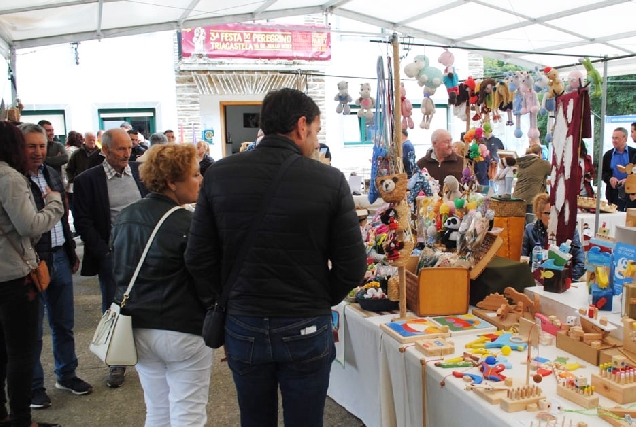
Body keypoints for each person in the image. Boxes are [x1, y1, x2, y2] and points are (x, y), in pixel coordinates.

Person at [185, 88, 367, 427]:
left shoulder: (219, 175)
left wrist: (223, 301)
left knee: (254, 420)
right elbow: (353, 266)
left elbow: (197, 257)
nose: (315, 141)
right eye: (315, 130)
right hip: (305, 324)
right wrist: (317, 297)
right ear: (301, 126)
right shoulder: (328, 179)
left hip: (244, 321)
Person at [111, 144, 212, 426]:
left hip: (138, 325)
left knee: (157, 409)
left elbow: (118, 269)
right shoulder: (189, 223)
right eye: (194, 175)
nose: (200, 180)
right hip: (183, 328)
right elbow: (205, 279)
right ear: (171, 182)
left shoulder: (126, 216)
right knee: (188, 411)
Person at [19, 123, 93, 410]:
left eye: (41, 145)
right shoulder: (16, 179)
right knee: (32, 329)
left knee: (63, 323)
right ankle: (34, 387)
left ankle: (67, 374)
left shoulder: (51, 172)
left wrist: (72, 251)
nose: (38, 152)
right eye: (31, 146)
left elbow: (63, 217)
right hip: (33, 261)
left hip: (60, 254)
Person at [0, 121, 64, 427]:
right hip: (14, 279)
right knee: (21, 354)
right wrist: (55, 203)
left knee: (3, 351)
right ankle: (22, 420)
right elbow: (29, 226)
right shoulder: (9, 178)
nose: (36, 151)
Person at [73, 128, 144, 388]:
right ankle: (117, 362)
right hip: (113, 256)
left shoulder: (140, 173)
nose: (127, 154)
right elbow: (83, 220)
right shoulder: (88, 180)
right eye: (121, 149)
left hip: (145, 253)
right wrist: (104, 252)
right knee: (115, 308)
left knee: (148, 304)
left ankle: (149, 357)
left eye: (129, 148)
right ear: (105, 150)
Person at [521, 193, 585, 280]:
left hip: (563, 281)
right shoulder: (530, 230)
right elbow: (522, 259)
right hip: (537, 279)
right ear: (539, 215)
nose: (554, 217)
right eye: (549, 213)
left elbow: (581, 263)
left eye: (557, 213)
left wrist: (564, 279)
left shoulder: (570, 231)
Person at [514, 144, 552, 222]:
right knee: (532, 225)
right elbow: (556, 172)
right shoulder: (542, 163)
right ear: (540, 153)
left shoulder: (522, 163)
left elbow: (531, 177)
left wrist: (544, 181)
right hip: (533, 198)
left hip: (518, 197)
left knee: (521, 226)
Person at [602, 127, 636, 211]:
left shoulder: (634, 153)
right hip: (613, 193)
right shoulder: (608, 155)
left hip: (630, 193)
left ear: (625, 138)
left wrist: (628, 180)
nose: (614, 140)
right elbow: (603, 173)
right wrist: (610, 178)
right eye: (613, 138)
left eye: (616, 138)